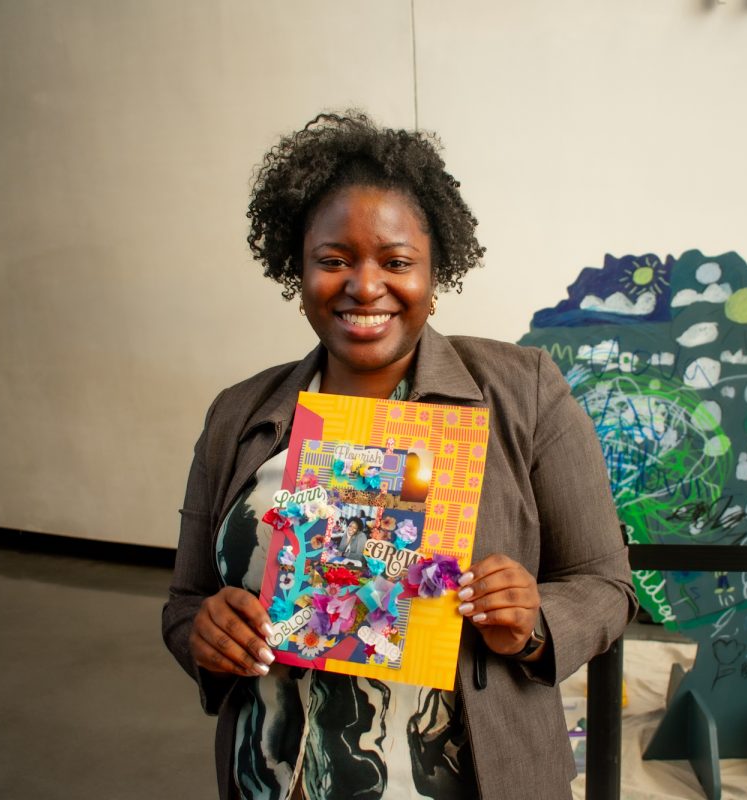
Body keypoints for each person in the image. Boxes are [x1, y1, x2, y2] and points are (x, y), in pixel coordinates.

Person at [162, 111, 635, 800]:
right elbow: (184, 600)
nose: (364, 285)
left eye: (395, 261)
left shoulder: (524, 392)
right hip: (272, 779)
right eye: (333, 260)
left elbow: (604, 584)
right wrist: (203, 633)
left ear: (434, 274)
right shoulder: (239, 413)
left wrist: (533, 625)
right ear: (298, 276)